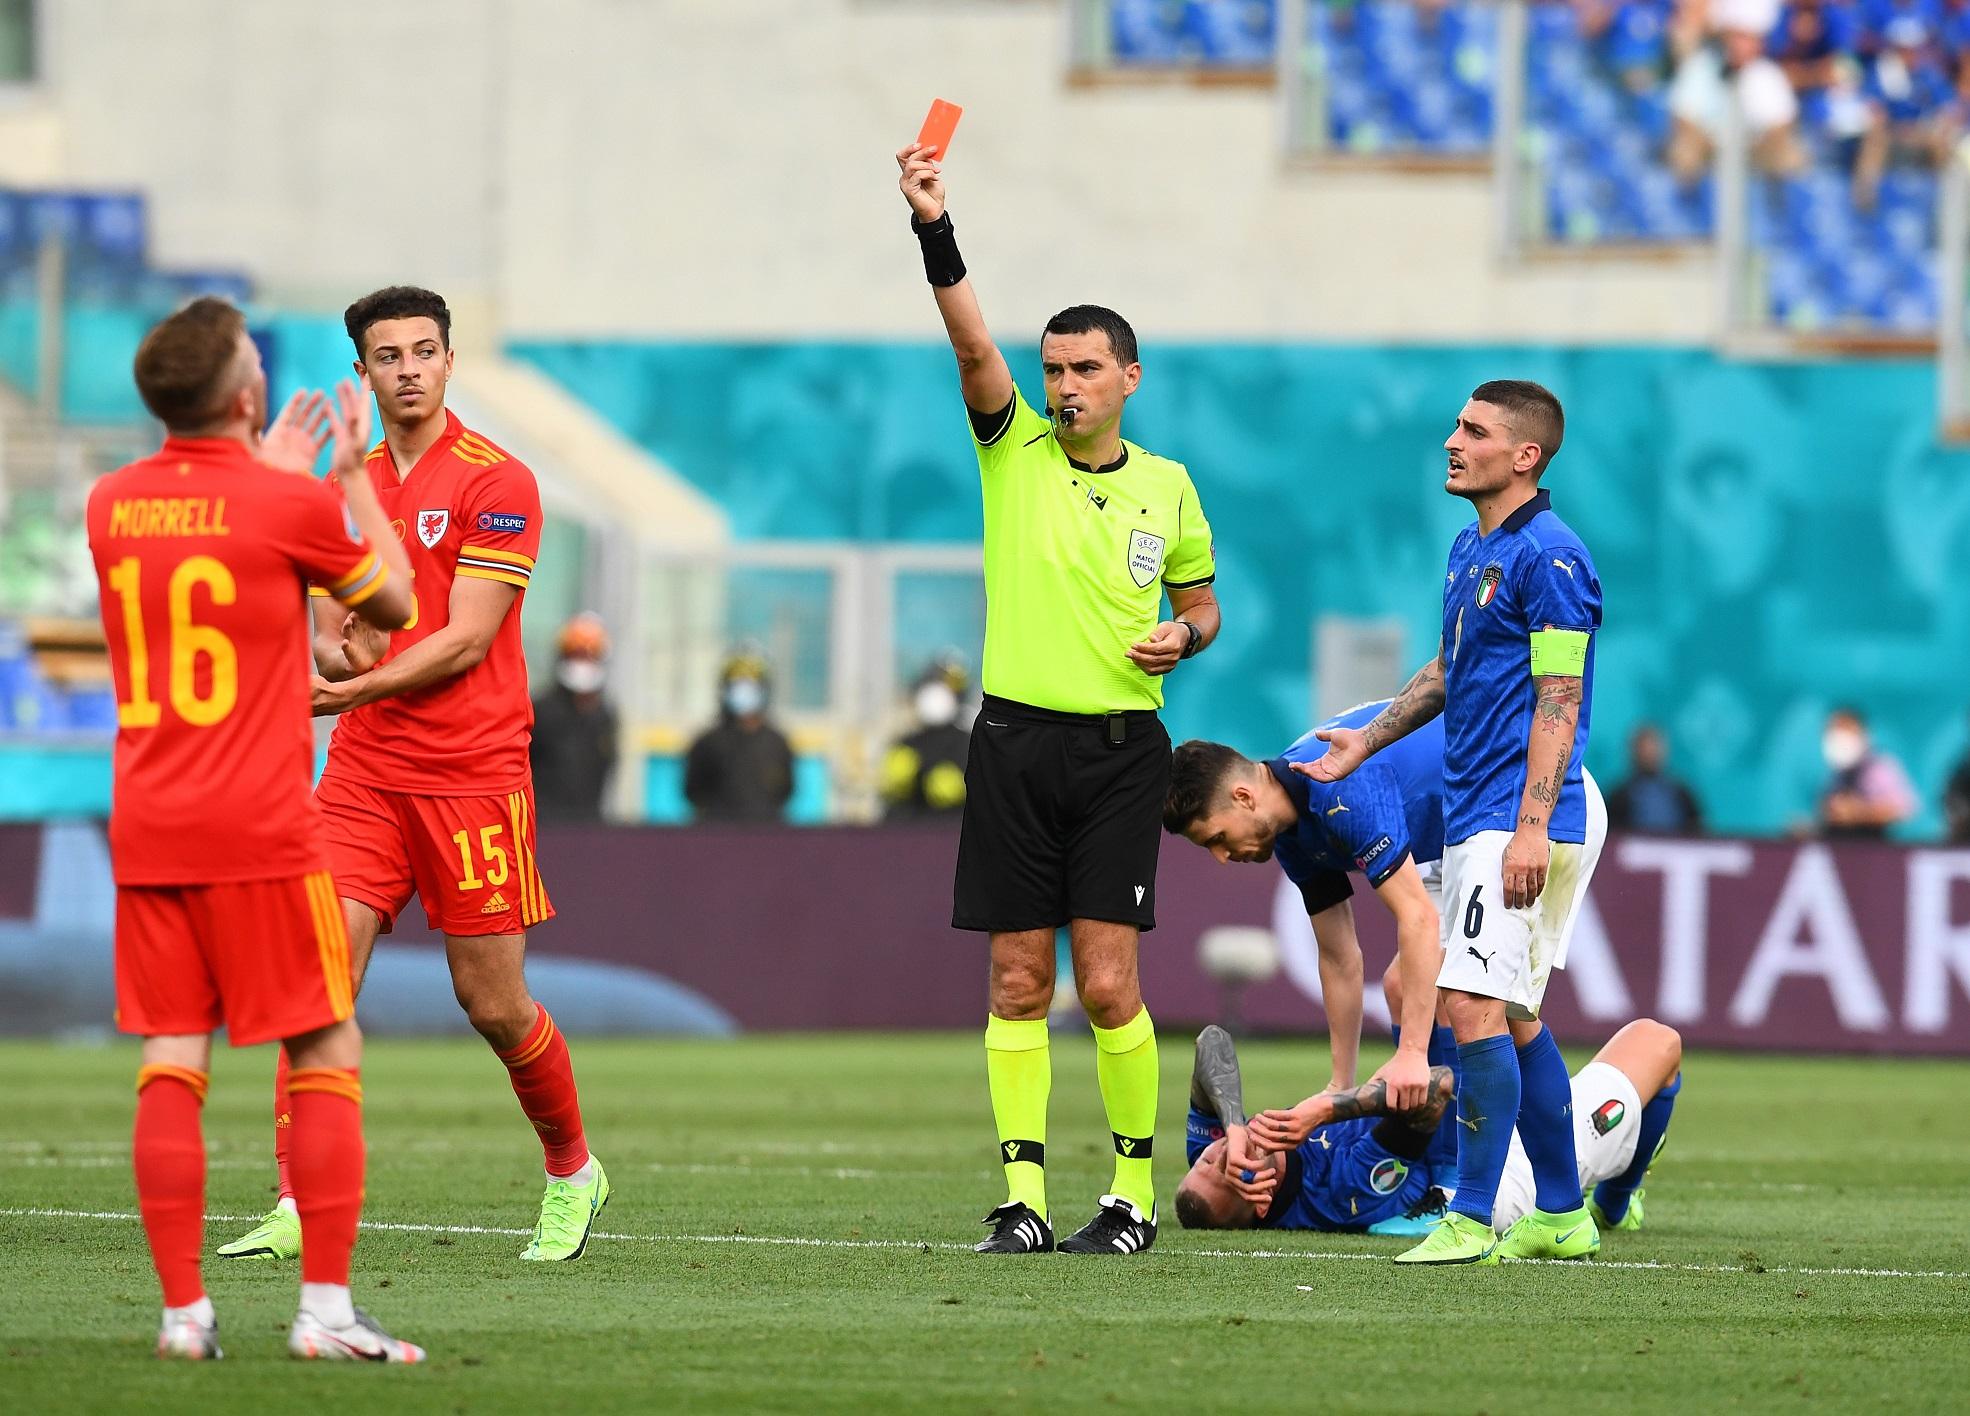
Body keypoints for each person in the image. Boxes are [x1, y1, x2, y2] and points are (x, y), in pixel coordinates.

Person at [220, 285, 608, 1267]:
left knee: (493, 1004)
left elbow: (468, 638)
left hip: (471, 776)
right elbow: (337, 626)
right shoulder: (341, 487)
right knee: (314, 978)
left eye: (422, 351)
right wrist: (339, 660)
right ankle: (299, 1200)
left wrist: (350, 689)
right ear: (362, 372)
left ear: (446, 362)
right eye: (385, 355)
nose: (406, 369)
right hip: (362, 775)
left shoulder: (497, 480)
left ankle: (572, 1169)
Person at [898, 134, 1221, 1256]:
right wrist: (931, 221)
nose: (1064, 385)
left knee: (1111, 980)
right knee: (1016, 973)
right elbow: (967, 335)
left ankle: (1129, 1199)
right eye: (1054, 368)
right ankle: (1023, 1200)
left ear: (1128, 379)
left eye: (1085, 369)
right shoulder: (1012, 449)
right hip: (1011, 743)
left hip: (1122, 751)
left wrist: (1185, 631)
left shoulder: (1169, 486)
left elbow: (1204, 607)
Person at [88, 297, 421, 1359]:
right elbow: (399, 602)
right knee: (326, 1040)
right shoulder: (287, 503)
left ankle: (184, 1317)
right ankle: (323, 1312)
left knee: (171, 1056)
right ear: (245, 393)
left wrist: (269, 473)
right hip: (263, 828)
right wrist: (350, 476)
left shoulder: (108, 505)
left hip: (148, 825)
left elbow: (223, 577)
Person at [1306, 380, 1608, 1266]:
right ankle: (1560, 1212)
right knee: (1506, 1012)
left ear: (1525, 456)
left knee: (1470, 1003)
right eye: (1455, 425)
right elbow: (1449, 670)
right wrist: (1366, 740)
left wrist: (1530, 826)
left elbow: (1562, 697)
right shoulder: (1471, 547)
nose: (1451, 440)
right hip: (1477, 809)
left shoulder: (1551, 558)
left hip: (1513, 815)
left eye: (1473, 431)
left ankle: (1473, 1215)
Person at [1162, 708, 1456, 1155]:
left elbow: (1417, 918)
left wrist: (1412, 1054)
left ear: (1244, 797)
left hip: (1530, 813)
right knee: (1406, 986)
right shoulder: (1288, 829)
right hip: (1460, 847)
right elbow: (1339, 956)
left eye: (1217, 839)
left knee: (1461, 998)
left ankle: (1463, 1181)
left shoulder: (1337, 788)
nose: (1221, 857)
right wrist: (1340, 1085)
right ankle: (1443, 1170)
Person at [1177, 1011, 1683, 1244]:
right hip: (1507, 1176)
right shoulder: (1340, 1191)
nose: (1224, 1152)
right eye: (1229, 1170)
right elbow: (1435, 1088)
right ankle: (1613, 1201)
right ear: (1261, 1199)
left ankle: (1617, 1202)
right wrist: (1325, 1110)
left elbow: (1212, 1041)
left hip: (1469, 1141)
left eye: (1207, 1155)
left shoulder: (1229, 1141)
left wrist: (1230, 1122)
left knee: (1410, 982)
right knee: (1657, 1043)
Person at [683, 649, 796, 823]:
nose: (744, 692)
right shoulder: (708, 742)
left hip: (767, 833)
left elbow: (785, 791)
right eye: (737, 685)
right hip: (716, 835)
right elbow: (693, 792)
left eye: (751, 685)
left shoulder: (777, 742)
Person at [531, 612, 619, 822]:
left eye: (590, 655)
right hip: (544, 823)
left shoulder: (605, 715)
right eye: (577, 655)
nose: (583, 663)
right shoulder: (540, 709)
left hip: (589, 822)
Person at [880, 656, 972, 821]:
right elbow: (889, 790)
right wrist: (896, 783)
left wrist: (962, 786)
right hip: (910, 828)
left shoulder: (967, 743)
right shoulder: (907, 743)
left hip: (952, 828)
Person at [1817, 705, 1916, 839]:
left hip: (1873, 848)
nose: (1839, 737)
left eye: (1846, 729)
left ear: (1863, 733)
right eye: (1834, 730)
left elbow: (1904, 808)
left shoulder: (1879, 767)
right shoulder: (1837, 773)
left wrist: (1859, 812)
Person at [1605, 722, 1704, 835]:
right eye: (1644, 748)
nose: (1649, 754)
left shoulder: (1681, 793)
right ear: (1633, 752)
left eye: (1653, 747)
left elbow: (1697, 829)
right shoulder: (1618, 797)